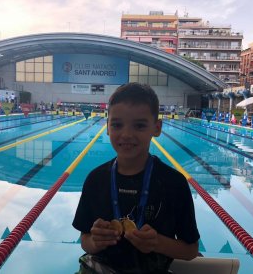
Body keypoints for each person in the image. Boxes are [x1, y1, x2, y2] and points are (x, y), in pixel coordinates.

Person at [73, 83, 200, 274]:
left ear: (156, 128)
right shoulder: (96, 179)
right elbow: (85, 240)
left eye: (139, 125)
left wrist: (157, 243)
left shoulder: (174, 183)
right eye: (117, 125)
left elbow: (190, 250)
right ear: (107, 127)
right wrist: (95, 241)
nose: (126, 134)